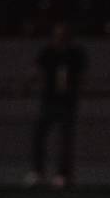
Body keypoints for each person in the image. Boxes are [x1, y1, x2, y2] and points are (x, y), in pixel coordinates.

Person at [27, 23, 86, 188]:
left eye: (63, 35)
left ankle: (62, 175)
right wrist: (26, 85)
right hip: (49, 101)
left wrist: (76, 90)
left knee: (65, 140)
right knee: (39, 135)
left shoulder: (75, 53)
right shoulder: (47, 52)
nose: (59, 38)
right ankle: (38, 173)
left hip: (67, 102)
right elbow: (35, 70)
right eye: (57, 35)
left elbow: (82, 76)